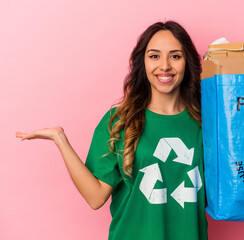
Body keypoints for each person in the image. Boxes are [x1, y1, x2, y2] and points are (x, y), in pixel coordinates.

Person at [16, 21, 208, 240]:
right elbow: (95, 197)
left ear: (188, 62)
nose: (164, 66)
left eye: (175, 56)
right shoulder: (119, 121)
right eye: (154, 56)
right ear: (142, 63)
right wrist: (60, 139)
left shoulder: (207, 122)